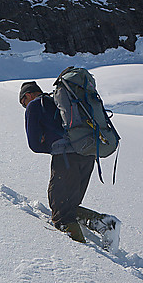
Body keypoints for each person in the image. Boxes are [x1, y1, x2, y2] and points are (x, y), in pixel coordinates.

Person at [20, 80, 102, 243]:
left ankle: (82, 254)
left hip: (65, 158)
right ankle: (106, 224)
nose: (25, 106)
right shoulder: (59, 103)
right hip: (88, 154)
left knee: (60, 211)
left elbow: (34, 145)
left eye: (24, 102)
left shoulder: (35, 106)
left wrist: (50, 146)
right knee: (69, 206)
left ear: (28, 95)